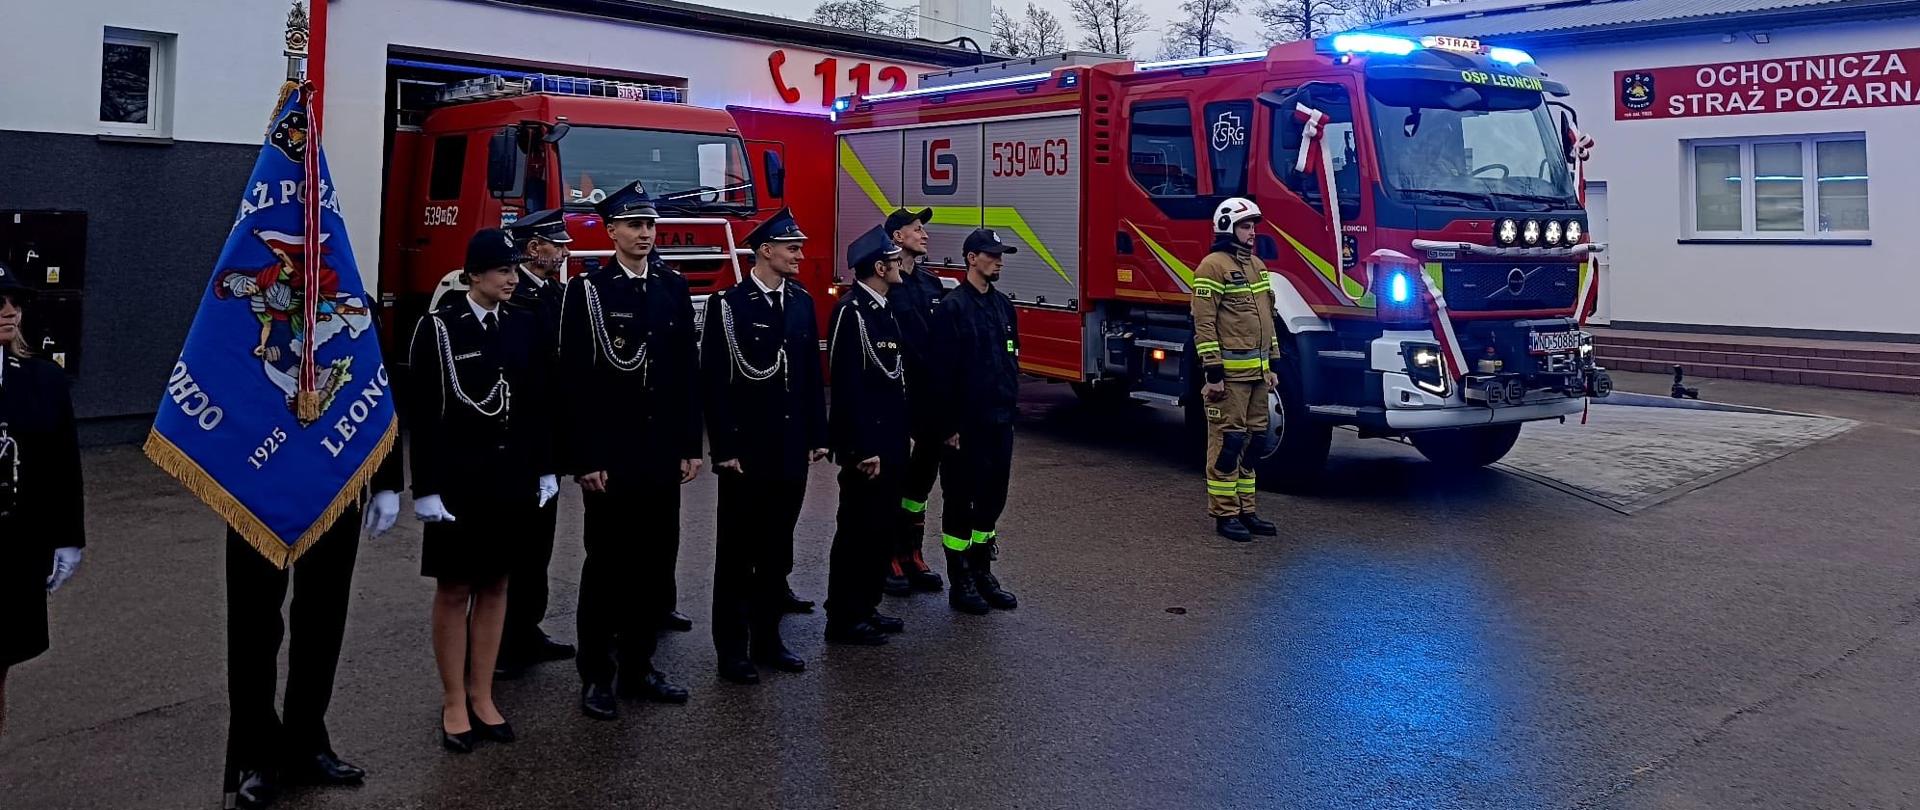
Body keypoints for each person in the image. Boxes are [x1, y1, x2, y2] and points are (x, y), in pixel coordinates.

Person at [217, 312, 405, 805]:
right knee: (254, 624)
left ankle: (306, 740)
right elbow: (221, 380)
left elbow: (376, 394)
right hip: (259, 485)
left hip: (333, 485)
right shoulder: (249, 308)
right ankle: (256, 754)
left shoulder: (351, 301)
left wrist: (386, 482)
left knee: (322, 618)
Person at [406, 229, 557, 752]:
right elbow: (423, 415)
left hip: (511, 476)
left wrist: (545, 467)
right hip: (459, 481)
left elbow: (539, 401)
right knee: (454, 590)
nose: (512, 279)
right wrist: (423, 487)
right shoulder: (440, 329)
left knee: (496, 585)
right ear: (474, 275)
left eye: (515, 270)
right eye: (501, 271)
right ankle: (453, 700)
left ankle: (483, 694)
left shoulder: (525, 324)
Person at [559, 181, 699, 721]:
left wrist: (690, 444)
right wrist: (586, 457)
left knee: (653, 562)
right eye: (634, 225)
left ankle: (640, 666)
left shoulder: (671, 286)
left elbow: (685, 370)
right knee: (607, 566)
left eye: (650, 226)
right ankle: (597, 673)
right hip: (613, 454)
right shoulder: (589, 292)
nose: (644, 234)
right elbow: (576, 380)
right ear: (612, 231)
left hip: (661, 451)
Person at [700, 208, 827, 683]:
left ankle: (769, 639)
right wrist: (725, 447)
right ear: (765, 251)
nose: (799, 253)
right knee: (737, 554)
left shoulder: (799, 301)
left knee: (777, 551)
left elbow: (812, 377)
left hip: (790, 448)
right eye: (791, 247)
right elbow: (715, 383)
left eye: (799, 245)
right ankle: (732, 649)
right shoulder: (728, 306)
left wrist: (818, 434)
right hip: (747, 453)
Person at [0, 263, 84, 740]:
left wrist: (68, 539)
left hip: (12, 546)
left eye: (16, 301)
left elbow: (61, 466)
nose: (10, 311)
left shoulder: (41, 380)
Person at [496, 208, 575, 678]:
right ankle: (502, 640)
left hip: (550, 437)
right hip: (520, 438)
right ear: (532, 249)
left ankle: (528, 626)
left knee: (539, 543)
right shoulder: (516, 296)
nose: (563, 252)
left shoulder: (556, 293)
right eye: (556, 244)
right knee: (514, 543)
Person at [825, 227, 913, 645]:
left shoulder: (883, 308)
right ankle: (844, 615)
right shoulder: (852, 312)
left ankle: (867, 605)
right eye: (894, 260)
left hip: (891, 443)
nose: (899, 265)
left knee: (880, 530)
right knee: (857, 532)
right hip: (868, 450)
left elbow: (893, 380)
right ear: (879, 267)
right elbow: (847, 386)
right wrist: (861, 447)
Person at [931, 229, 1022, 616]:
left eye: (1001, 255)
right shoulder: (952, 307)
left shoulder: (1003, 306)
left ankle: (983, 569)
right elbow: (941, 373)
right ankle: (960, 578)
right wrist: (948, 426)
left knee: (992, 499)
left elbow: (1011, 360)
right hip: (965, 427)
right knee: (959, 502)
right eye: (992, 255)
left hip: (999, 422)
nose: (999, 261)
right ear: (971, 258)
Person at [1191, 198, 1282, 542]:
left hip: (1258, 375)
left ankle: (1247, 509)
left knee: (1255, 441)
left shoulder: (1257, 266)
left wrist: (1272, 363)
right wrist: (1213, 373)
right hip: (1229, 379)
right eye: (1246, 226)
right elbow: (1204, 323)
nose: (1252, 232)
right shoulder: (1211, 267)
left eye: (1254, 226)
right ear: (1227, 227)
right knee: (1228, 443)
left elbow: (1267, 319)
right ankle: (1225, 513)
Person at [882, 207, 946, 597]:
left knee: (920, 480)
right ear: (896, 237)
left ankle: (912, 552)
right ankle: (887, 554)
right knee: (892, 476)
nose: (923, 235)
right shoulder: (885, 283)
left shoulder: (931, 284)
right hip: (895, 397)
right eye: (916, 229)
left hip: (927, 398)